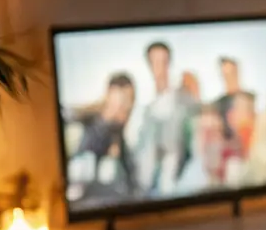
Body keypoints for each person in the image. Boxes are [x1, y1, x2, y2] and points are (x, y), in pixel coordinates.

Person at [66, 72, 138, 200]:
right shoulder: (86, 126)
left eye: (131, 101)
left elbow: (131, 179)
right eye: (124, 100)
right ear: (110, 96)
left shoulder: (119, 134)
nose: (128, 106)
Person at [136, 41, 193, 195]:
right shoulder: (146, 111)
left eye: (164, 62)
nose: (160, 69)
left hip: (181, 186)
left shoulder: (185, 100)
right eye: (155, 63)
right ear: (149, 66)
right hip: (151, 190)